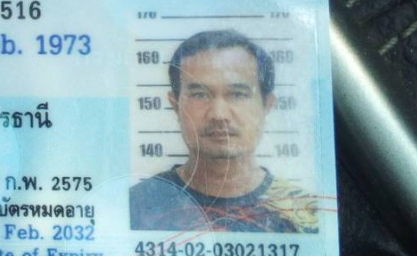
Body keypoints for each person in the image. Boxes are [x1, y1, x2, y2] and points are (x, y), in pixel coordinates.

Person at [129, 29, 318, 233]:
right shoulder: (135, 206)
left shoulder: (309, 216)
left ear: (267, 105)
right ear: (175, 105)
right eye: (200, 94)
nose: (218, 114)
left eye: (238, 94)